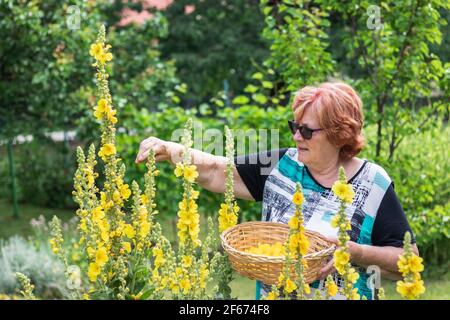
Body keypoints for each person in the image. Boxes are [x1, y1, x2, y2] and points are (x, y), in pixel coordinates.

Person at [135, 82, 418, 300]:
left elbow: (407, 261)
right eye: (294, 127)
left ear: (338, 133)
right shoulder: (282, 164)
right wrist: (173, 150)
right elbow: (217, 172)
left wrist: (357, 252)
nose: (296, 136)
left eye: (307, 131)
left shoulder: (372, 183)